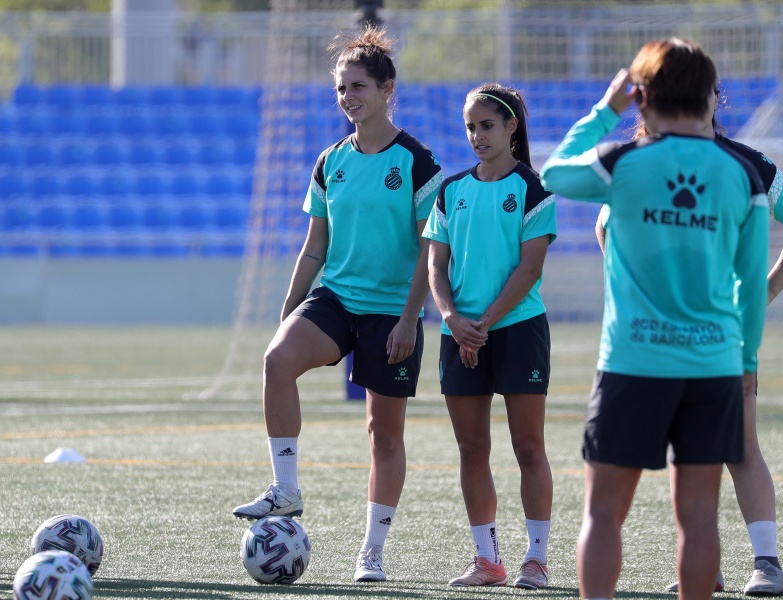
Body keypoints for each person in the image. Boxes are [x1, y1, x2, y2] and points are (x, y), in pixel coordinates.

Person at [540, 37, 769, 600]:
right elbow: (751, 286)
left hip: (634, 361)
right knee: (698, 517)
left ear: (642, 95)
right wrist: (745, 361)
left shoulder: (624, 164)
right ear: (708, 95)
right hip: (714, 363)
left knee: (603, 513)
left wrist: (606, 109)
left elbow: (552, 173)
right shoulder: (745, 176)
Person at [231, 26, 443, 585]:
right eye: (341, 88)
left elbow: (430, 254)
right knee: (277, 361)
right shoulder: (329, 161)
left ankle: (372, 552)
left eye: (358, 87)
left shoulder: (419, 163)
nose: (348, 97)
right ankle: (286, 490)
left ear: (386, 90)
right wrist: (288, 313)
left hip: (391, 313)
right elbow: (314, 248)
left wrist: (408, 319)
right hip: (337, 298)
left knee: (384, 434)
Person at [595, 95, 783, 597]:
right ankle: (706, 565)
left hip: (718, 338)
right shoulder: (632, 161)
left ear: (712, 98)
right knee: (680, 459)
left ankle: (766, 561)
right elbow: (603, 230)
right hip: (647, 345)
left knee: (739, 445)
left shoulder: (749, 164)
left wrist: (764, 288)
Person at [423, 83, 557, 589]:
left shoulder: (533, 189)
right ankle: (487, 560)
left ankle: (536, 559)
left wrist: (483, 323)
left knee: (528, 446)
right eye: (470, 127)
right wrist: (453, 318)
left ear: (511, 128)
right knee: (472, 447)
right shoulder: (450, 190)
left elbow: (529, 269)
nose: (477, 136)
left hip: (518, 328)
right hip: (460, 334)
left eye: (487, 126)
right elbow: (436, 264)